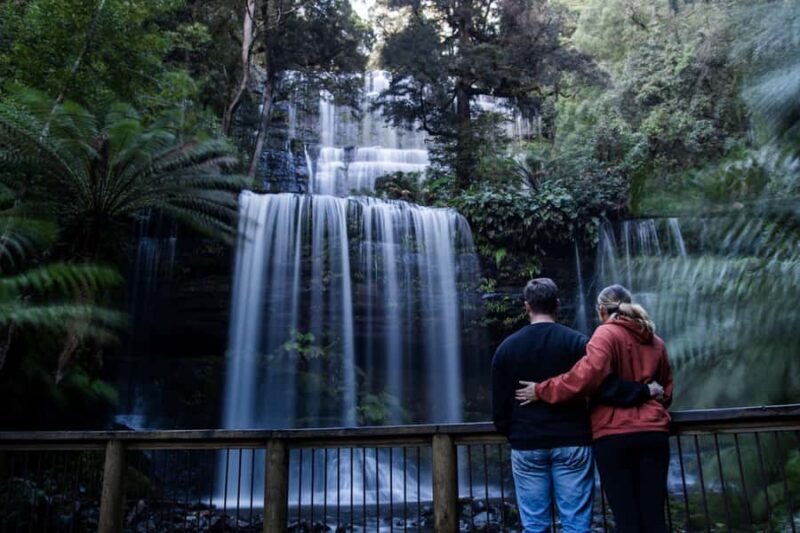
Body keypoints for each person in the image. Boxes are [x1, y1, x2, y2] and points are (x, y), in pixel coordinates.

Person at [492, 278, 663, 533]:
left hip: (527, 441)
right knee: (576, 526)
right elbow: (604, 386)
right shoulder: (578, 343)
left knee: (534, 526)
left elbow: (500, 407)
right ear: (557, 305)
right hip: (573, 440)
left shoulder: (506, 349)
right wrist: (644, 391)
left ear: (526, 306)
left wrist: (512, 431)